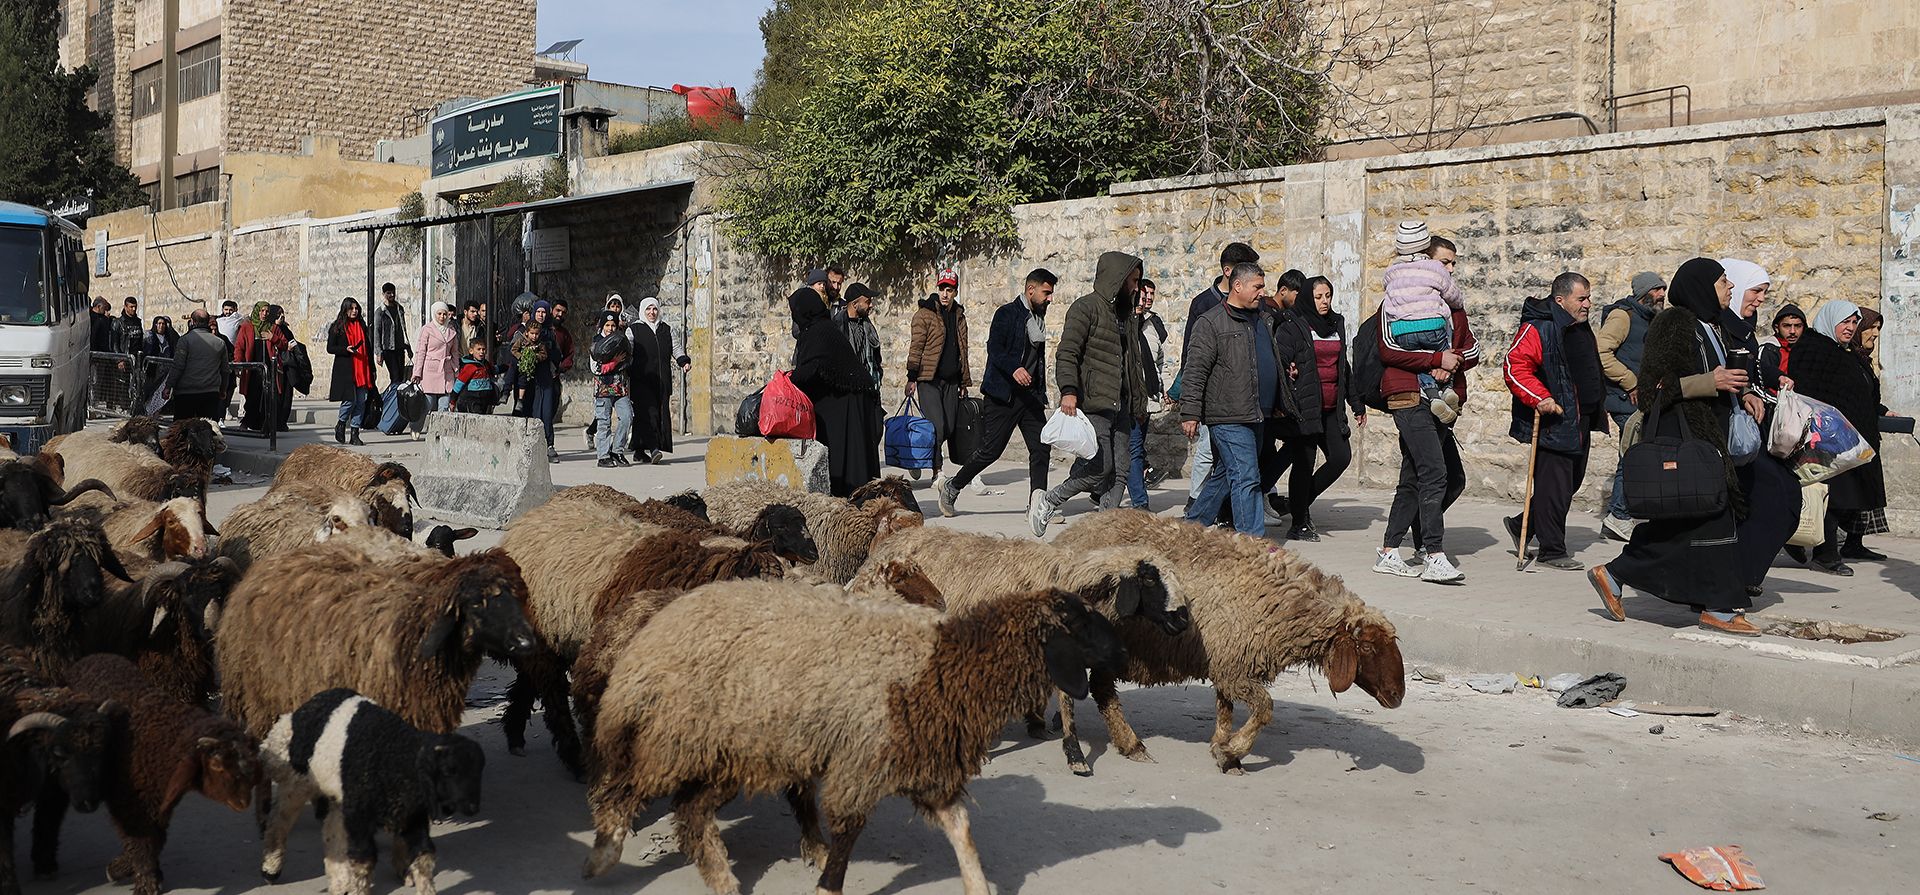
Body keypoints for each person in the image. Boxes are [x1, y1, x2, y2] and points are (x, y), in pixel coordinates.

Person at [1588, 258, 1759, 636]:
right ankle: (1719, 608)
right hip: (1686, 441)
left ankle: (1614, 574)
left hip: (1709, 440)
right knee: (1712, 519)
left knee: (1688, 527)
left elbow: (1721, 377)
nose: (1730, 287)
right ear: (1701, 287)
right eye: (1723, 282)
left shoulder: (1713, 326)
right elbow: (1652, 390)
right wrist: (1710, 382)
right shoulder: (1674, 323)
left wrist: (1743, 393)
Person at [1374, 234, 1478, 584]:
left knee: (1417, 477)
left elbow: (1472, 349)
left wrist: (1451, 361)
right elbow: (1388, 350)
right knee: (1435, 472)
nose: (1450, 269)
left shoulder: (1452, 307)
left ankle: (1389, 550)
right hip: (1407, 396)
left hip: (1443, 400)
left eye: (1453, 263)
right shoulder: (1395, 303)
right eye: (1444, 262)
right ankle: (1433, 554)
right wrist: (1434, 359)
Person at [1029, 251, 1150, 536]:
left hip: (1121, 406)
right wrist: (1069, 391)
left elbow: (1133, 364)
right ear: (1118, 279)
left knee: (1121, 470)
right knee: (1100, 467)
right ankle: (1049, 501)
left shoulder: (1127, 317)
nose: (1137, 288)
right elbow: (1067, 353)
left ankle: (1102, 532)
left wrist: (1139, 403)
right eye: (1133, 281)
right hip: (1094, 403)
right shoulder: (1085, 308)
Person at [1501, 273, 1606, 571]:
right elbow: (1515, 366)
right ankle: (1552, 550)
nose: (1588, 304)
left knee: (1569, 483)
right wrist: (1541, 397)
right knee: (1555, 488)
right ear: (1560, 300)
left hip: (1581, 418)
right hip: (1554, 419)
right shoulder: (1540, 327)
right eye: (1581, 298)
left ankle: (1522, 524)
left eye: (1588, 297)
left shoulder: (1579, 326)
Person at [1716, 258, 1801, 595]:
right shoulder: (1714, 328)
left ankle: (1745, 571)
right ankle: (1738, 576)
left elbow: (1749, 373)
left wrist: (1757, 387)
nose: (1761, 298)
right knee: (1771, 495)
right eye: (1756, 290)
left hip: (1748, 431)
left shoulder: (1744, 330)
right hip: (1726, 434)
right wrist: (1743, 391)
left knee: (1786, 493)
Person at [941, 269, 1056, 516]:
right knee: (990, 450)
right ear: (1031, 290)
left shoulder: (1038, 320)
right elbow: (995, 348)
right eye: (1046, 293)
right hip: (1003, 396)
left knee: (1041, 448)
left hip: (1030, 397)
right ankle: (953, 486)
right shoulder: (1007, 313)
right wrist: (1014, 368)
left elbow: (1036, 360)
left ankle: (1038, 506)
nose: (1050, 299)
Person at [1788, 301, 1889, 573]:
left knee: (1846, 497)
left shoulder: (1843, 352)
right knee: (1831, 497)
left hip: (1851, 437)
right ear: (1831, 320)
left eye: (1854, 322)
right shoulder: (1813, 349)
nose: (1851, 327)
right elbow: (1810, 392)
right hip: (1826, 438)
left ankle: (1816, 544)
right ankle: (1826, 554)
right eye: (1845, 322)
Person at [1181, 262, 1275, 536]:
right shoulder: (1210, 322)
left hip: (1256, 412)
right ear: (1238, 286)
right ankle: (1251, 544)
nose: (1262, 292)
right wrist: (1190, 412)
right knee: (1247, 476)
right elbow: (1195, 370)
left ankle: (1189, 529)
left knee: (1225, 476)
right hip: (1227, 415)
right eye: (1257, 287)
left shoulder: (1262, 319)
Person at [1283, 276, 1363, 541]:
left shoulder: (1335, 323)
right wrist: (1289, 374)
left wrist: (1356, 403)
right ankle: (1298, 523)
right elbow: (1281, 358)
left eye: (1328, 296)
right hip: (1306, 407)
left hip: (1331, 408)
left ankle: (1299, 501)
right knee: (1304, 463)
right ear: (1308, 298)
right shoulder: (1295, 325)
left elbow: (1343, 367)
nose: (1324, 301)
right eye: (1318, 297)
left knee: (1341, 457)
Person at [1184, 242, 1261, 510]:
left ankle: (1197, 518)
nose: (1261, 292)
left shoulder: (1258, 313)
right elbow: (1194, 363)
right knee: (1235, 469)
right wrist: (1191, 410)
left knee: (1229, 471)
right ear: (1231, 275)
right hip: (1221, 407)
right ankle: (1249, 536)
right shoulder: (1206, 309)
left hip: (1250, 407)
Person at [1595, 270, 1667, 541]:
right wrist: (1631, 382)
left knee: (1636, 454)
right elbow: (1601, 352)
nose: (1662, 294)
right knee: (1633, 454)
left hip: (1644, 400)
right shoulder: (1622, 316)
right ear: (1643, 293)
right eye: (1657, 289)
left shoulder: (1651, 318)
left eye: (1663, 289)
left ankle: (1623, 514)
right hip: (1626, 400)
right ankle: (1619, 515)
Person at [791, 284, 882, 496]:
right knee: (855, 456)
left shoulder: (817, 332)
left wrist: (787, 381)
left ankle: (852, 498)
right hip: (852, 397)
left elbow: (813, 368)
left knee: (847, 458)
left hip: (847, 400)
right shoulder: (824, 327)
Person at [1381, 222, 1464, 424]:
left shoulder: (1391, 272)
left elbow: (1387, 289)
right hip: (1432, 326)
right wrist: (1440, 360)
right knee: (1444, 348)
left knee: (1419, 361)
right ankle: (1447, 389)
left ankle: (1434, 396)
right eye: (1446, 262)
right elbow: (1452, 294)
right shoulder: (1435, 269)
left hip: (1402, 331)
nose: (1450, 269)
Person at [906, 268, 972, 480]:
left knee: (950, 427)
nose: (945, 293)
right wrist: (911, 377)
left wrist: (964, 381)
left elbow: (963, 350)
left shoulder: (959, 317)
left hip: (951, 380)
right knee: (937, 427)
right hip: (928, 379)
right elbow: (916, 347)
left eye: (949, 290)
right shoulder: (924, 314)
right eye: (942, 288)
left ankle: (917, 455)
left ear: (955, 292)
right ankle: (937, 471)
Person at [1120, 281, 1168, 509]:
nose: (1145, 300)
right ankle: (1140, 503)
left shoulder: (1151, 325)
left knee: (1132, 450)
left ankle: (1100, 492)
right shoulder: (1121, 324)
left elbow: (1159, 360)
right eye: (1140, 295)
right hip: (1129, 400)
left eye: (1149, 295)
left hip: (1148, 399)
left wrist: (1162, 386)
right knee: (1134, 451)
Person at [627, 297, 690, 464]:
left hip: (662, 381)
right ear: (643, 310)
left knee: (654, 414)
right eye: (648, 309)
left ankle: (639, 451)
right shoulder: (634, 330)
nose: (652, 312)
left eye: (654, 309)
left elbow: (676, 348)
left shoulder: (666, 329)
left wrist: (683, 361)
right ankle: (654, 448)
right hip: (641, 380)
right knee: (649, 414)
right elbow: (628, 350)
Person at [511, 302, 561, 461]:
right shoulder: (522, 334)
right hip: (526, 381)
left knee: (545, 413)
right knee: (528, 413)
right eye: (538, 311)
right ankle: (528, 447)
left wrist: (545, 353)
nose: (541, 315)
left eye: (544, 312)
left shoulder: (550, 333)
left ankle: (549, 445)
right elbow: (513, 354)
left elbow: (557, 355)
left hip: (544, 379)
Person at [325, 297, 377, 445]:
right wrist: (345, 349)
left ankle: (355, 433)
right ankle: (341, 424)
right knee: (349, 401)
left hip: (362, 368)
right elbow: (330, 348)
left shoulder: (362, 325)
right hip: (346, 369)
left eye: (356, 308)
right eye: (351, 309)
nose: (354, 311)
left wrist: (372, 368)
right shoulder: (337, 327)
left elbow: (368, 348)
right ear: (345, 310)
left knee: (361, 401)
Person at [160, 310, 228, 420]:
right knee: (208, 427)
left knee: (183, 427)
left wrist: (168, 386)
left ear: (192, 322)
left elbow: (178, 366)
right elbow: (225, 369)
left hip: (186, 393)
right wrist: (223, 389)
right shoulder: (219, 342)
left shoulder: (185, 341)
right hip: (210, 391)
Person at [235, 302, 290, 433]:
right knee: (252, 396)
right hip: (252, 369)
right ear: (257, 311)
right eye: (262, 311)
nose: (264, 314)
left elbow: (284, 344)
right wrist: (238, 363)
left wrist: (273, 338)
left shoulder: (273, 328)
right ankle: (248, 421)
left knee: (268, 397)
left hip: (269, 369)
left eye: (267, 311)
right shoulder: (247, 327)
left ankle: (265, 425)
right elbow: (240, 347)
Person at [590, 312, 634, 468]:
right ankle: (603, 456)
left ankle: (617, 450)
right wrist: (614, 362)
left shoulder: (620, 340)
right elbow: (596, 368)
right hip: (603, 390)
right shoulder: (596, 343)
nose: (610, 328)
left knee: (627, 417)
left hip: (620, 388)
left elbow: (628, 359)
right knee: (604, 422)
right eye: (607, 325)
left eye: (613, 325)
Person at [412, 301, 460, 422]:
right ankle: (419, 426)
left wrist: (456, 369)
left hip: (446, 371)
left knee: (444, 406)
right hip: (430, 371)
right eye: (439, 314)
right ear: (434, 314)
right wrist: (417, 372)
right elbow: (421, 352)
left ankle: (440, 429)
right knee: (428, 405)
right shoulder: (427, 330)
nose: (442, 317)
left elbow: (455, 352)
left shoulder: (451, 331)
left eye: (445, 314)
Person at [835, 283, 883, 388]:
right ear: (855, 304)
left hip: (868, 386)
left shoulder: (867, 325)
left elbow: (876, 357)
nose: (871, 305)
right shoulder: (838, 327)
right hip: (847, 387)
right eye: (867, 302)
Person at [1757, 304, 1804, 395]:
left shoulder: (1805, 349)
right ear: (1777, 328)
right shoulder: (1769, 350)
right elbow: (1761, 384)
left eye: (1798, 326)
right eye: (1787, 326)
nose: (1793, 331)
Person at [373, 283, 412, 387]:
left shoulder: (399, 309)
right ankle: (393, 395)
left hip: (400, 347)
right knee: (395, 376)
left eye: (393, 293)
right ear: (383, 294)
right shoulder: (380, 312)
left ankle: (397, 395)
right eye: (388, 293)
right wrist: (378, 352)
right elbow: (377, 332)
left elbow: (403, 329)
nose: (391, 295)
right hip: (388, 349)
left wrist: (408, 347)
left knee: (401, 376)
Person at [451, 338, 497, 414]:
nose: (481, 352)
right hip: (473, 399)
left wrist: (507, 367)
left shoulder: (485, 364)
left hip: (486, 399)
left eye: (483, 349)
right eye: (478, 349)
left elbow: (493, 370)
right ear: (471, 351)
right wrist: (453, 401)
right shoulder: (469, 366)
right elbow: (459, 384)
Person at [788, 269, 832, 341]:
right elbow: (796, 331)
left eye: (824, 284)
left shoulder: (826, 300)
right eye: (819, 284)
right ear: (812, 285)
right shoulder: (803, 302)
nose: (822, 286)